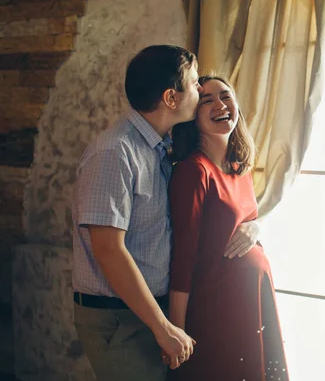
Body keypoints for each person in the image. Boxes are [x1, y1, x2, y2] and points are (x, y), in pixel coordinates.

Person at [71, 46, 259, 381]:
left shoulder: (161, 148)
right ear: (172, 98)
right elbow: (108, 250)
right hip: (122, 318)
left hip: (151, 312)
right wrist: (163, 327)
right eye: (194, 83)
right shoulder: (115, 153)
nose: (202, 90)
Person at [168, 75, 289, 380]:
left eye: (226, 96)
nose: (220, 105)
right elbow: (183, 258)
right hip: (216, 311)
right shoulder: (193, 172)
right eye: (207, 100)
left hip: (252, 304)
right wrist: (175, 331)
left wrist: (255, 227)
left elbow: (243, 220)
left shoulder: (239, 168)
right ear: (192, 116)